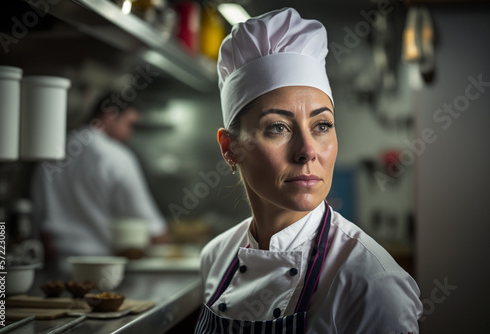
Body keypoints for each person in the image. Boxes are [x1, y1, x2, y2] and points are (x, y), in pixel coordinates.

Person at [195, 8, 422, 333]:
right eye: (277, 127)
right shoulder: (215, 257)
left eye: (322, 125)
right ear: (230, 148)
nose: (307, 151)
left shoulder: (372, 283)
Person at [31, 92, 168, 271]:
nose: (130, 133)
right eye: (129, 124)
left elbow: (37, 216)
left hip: (53, 266)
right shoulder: (116, 157)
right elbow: (151, 227)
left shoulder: (53, 150)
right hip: (100, 269)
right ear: (110, 115)